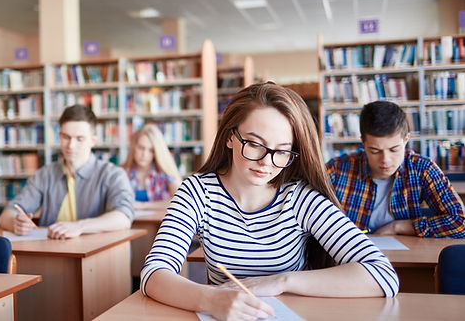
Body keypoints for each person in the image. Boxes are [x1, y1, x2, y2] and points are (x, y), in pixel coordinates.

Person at [140, 83, 399, 321]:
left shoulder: (301, 199)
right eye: (255, 144)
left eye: (282, 150)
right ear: (230, 137)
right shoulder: (197, 192)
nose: (266, 162)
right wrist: (210, 299)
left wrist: (282, 281)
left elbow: (382, 275)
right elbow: (154, 273)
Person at [326, 100, 465, 238]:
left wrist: (397, 227)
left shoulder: (422, 169)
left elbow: (460, 223)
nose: (385, 160)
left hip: (404, 259)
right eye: (375, 151)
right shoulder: (336, 170)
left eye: (394, 149)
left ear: (406, 139)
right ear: (363, 142)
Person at [0, 104, 134, 239]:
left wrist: (79, 226)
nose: (71, 145)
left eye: (79, 139)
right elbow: (6, 214)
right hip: (51, 251)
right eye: (66, 137)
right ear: (59, 135)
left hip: (95, 254)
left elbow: (123, 217)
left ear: (93, 141)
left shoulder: (113, 175)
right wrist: (15, 223)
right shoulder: (45, 174)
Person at [122, 124, 182, 209]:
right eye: (141, 148)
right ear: (133, 147)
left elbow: (181, 200)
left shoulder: (164, 173)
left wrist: (143, 206)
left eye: (151, 150)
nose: (144, 154)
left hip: (158, 222)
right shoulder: (122, 174)